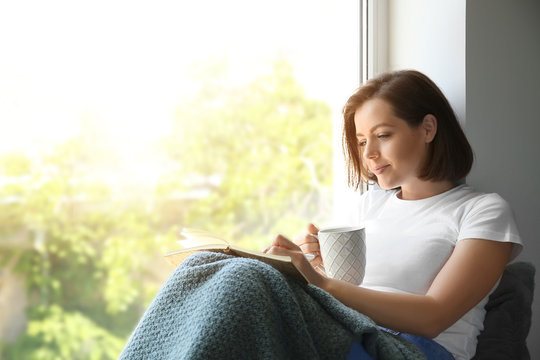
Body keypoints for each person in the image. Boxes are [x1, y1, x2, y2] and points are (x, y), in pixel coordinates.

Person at [262, 70, 522, 360]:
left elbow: (433, 317)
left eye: (382, 135)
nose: (369, 154)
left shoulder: (483, 210)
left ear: (427, 129)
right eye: (362, 141)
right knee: (242, 278)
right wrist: (319, 267)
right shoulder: (368, 205)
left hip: (416, 349)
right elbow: (350, 292)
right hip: (353, 329)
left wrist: (319, 282)